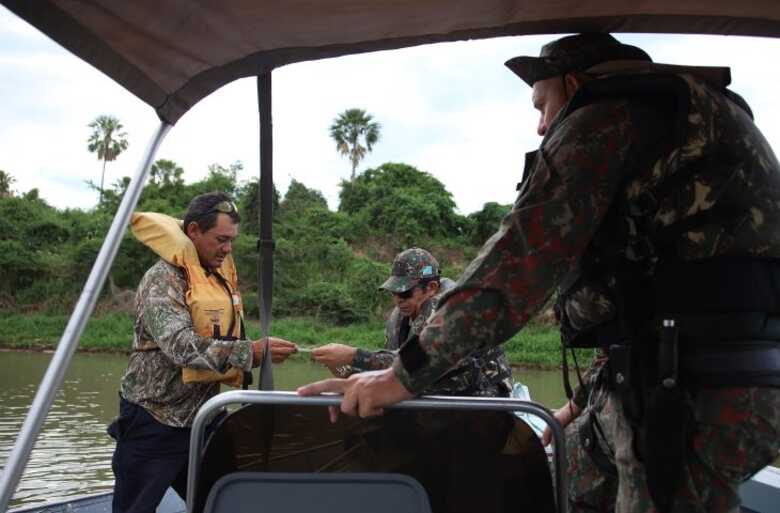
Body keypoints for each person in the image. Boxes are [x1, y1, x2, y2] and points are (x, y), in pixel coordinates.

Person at [299, 34, 780, 513]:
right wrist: (571, 410)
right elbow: (641, 305)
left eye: (542, 104)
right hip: (680, 371)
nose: (541, 125)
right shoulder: (685, 118)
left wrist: (400, 376)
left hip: (694, 390)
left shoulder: (607, 115)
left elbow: (519, 258)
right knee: (565, 483)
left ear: (572, 84)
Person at [109, 192, 297, 513]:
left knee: (225, 501)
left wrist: (253, 350)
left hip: (205, 418)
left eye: (232, 241)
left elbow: (228, 334)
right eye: (221, 239)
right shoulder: (163, 280)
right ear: (193, 231)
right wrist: (248, 353)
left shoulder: (215, 276)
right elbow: (181, 346)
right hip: (155, 420)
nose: (227, 249)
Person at [311, 247, 512, 397]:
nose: (399, 299)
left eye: (405, 292)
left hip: (480, 401)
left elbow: (417, 363)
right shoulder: (399, 319)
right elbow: (390, 374)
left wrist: (353, 356)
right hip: (434, 402)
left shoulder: (455, 313)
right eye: (394, 292)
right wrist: (341, 368)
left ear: (431, 287)